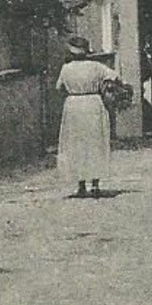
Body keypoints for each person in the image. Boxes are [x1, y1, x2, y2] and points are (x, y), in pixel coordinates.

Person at [56, 35, 115, 198]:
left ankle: (81, 184)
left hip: (74, 106)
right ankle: (95, 183)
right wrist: (104, 88)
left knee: (76, 143)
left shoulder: (66, 68)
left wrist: (73, 91)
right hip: (93, 104)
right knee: (94, 142)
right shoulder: (97, 66)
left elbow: (59, 87)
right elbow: (114, 77)